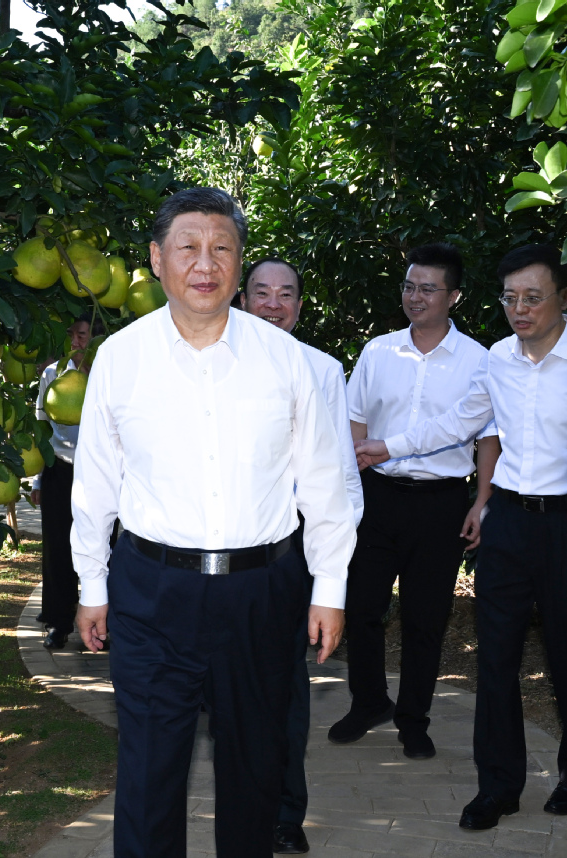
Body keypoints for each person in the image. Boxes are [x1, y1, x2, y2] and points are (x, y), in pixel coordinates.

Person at [70, 187, 357, 858]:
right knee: (147, 775)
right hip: (149, 592)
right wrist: (91, 585)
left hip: (260, 592)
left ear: (238, 261)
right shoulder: (121, 358)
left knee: (256, 772)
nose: (205, 263)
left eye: (221, 247)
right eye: (187, 247)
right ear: (156, 259)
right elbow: (94, 486)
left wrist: (330, 589)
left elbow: (324, 485)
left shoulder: (288, 362)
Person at [354, 244, 567, 831]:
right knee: (496, 660)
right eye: (510, 298)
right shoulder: (498, 360)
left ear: (564, 297)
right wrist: (388, 446)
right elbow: (459, 420)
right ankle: (498, 786)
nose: (519, 309)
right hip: (507, 522)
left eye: (533, 297)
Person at [329, 243, 500, 760]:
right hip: (377, 499)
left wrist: (482, 502)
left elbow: (488, 438)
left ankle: (413, 719)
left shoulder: (480, 360)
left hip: (441, 504)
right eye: (409, 286)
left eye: (428, 288)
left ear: (454, 296)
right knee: (361, 608)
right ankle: (369, 702)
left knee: (426, 619)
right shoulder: (378, 351)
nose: (415, 297)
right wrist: (353, 491)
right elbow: (355, 420)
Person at [241, 257, 363, 855]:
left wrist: (328, 574)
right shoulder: (211, 364)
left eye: (285, 294)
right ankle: (241, 806)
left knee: (286, 693)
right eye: (261, 292)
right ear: (241, 298)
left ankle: (286, 814)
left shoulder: (322, 370)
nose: (273, 303)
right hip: (215, 561)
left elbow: (341, 473)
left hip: (290, 559)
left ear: (298, 306)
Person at [31, 314, 94, 649]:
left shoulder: (104, 372)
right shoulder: (52, 373)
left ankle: (100, 624)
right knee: (58, 548)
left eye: (82, 335)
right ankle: (59, 622)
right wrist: (38, 479)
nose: (76, 342)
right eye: (71, 335)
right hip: (60, 467)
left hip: (98, 471)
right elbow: (41, 426)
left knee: (102, 547)